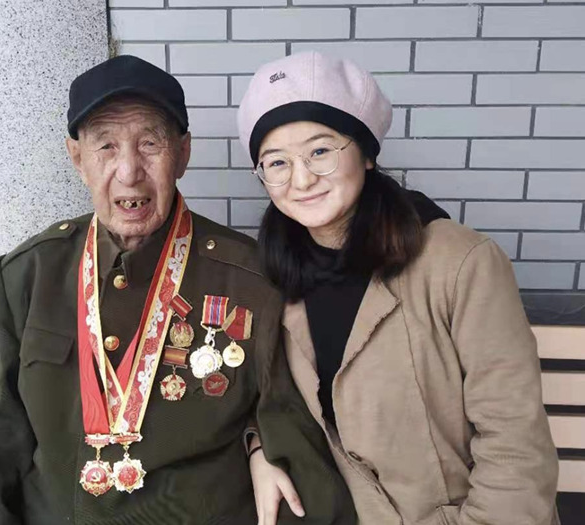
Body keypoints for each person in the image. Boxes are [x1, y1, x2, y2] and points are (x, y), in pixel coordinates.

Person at [0, 55, 356, 524]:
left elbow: (293, 438)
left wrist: (257, 443)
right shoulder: (30, 274)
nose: (129, 171)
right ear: (77, 158)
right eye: (106, 146)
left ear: (182, 154)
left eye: (150, 143)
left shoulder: (250, 278)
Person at [238, 51, 560, 525]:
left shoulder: (461, 263)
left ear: (367, 154)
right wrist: (258, 449)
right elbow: (262, 393)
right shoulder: (274, 274)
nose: (301, 179)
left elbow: (516, 448)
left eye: (320, 151)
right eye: (277, 162)